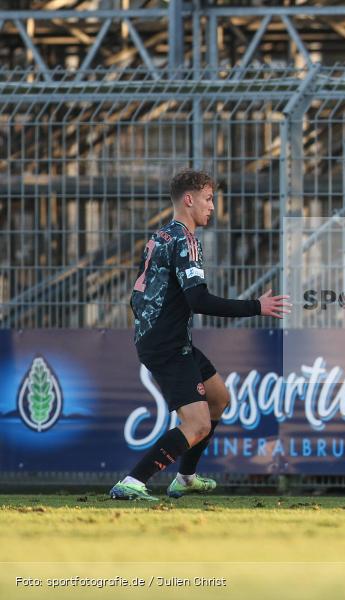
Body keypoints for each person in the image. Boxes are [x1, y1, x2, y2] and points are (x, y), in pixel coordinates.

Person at [109, 169, 290, 501]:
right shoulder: (185, 239)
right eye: (208, 199)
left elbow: (140, 295)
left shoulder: (160, 236)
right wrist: (257, 307)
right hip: (167, 343)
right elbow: (199, 300)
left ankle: (186, 477)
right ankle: (133, 481)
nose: (212, 207)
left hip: (168, 338)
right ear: (189, 200)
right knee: (198, 425)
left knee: (219, 398)